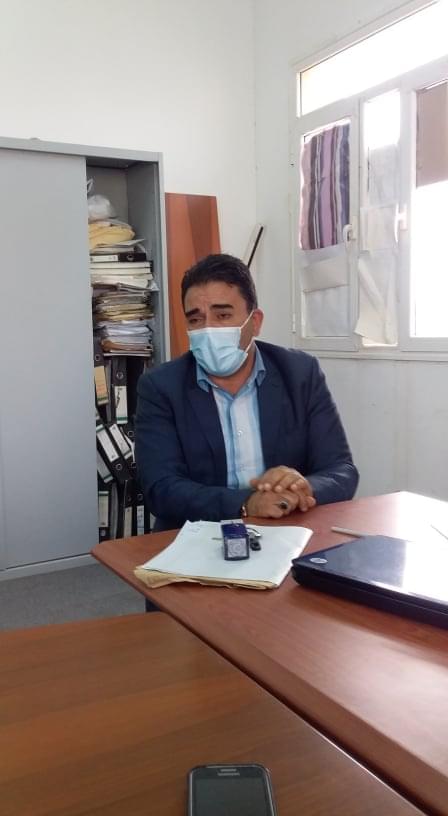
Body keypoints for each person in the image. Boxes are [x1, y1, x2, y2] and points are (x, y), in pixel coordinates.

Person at [135, 253, 358, 531]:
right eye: (196, 319)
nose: (208, 329)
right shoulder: (160, 386)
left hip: (286, 530)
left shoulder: (300, 373)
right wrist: (247, 504)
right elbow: (161, 489)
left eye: (223, 315)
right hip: (197, 536)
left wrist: (301, 487)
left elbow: (342, 471)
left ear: (255, 322)